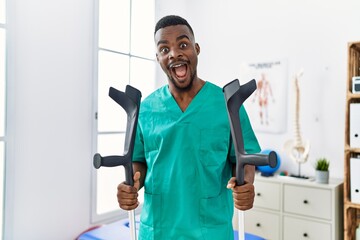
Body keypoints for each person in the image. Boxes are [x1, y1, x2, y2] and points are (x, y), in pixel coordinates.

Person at [117, 15, 261, 240]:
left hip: (210, 231)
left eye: (183, 45)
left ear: (197, 49)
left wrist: (245, 185)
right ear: (158, 58)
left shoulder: (227, 105)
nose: (174, 54)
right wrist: (132, 184)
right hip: (157, 230)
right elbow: (138, 161)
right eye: (164, 49)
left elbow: (245, 158)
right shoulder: (145, 109)